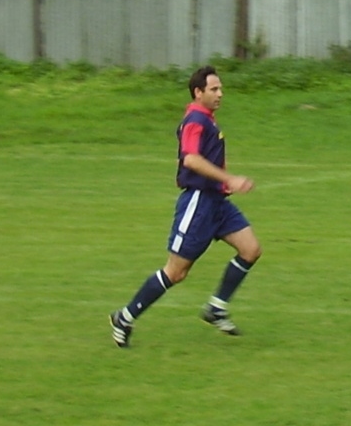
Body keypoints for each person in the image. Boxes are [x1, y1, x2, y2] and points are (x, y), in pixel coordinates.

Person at [109, 65, 262, 348]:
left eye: (220, 88)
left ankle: (216, 307)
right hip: (198, 203)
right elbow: (190, 159)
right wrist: (230, 178)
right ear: (198, 92)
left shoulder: (208, 120)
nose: (220, 94)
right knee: (176, 272)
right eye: (214, 89)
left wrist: (225, 184)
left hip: (217, 203)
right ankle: (125, 317)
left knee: (251, 249)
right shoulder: (195, 120)